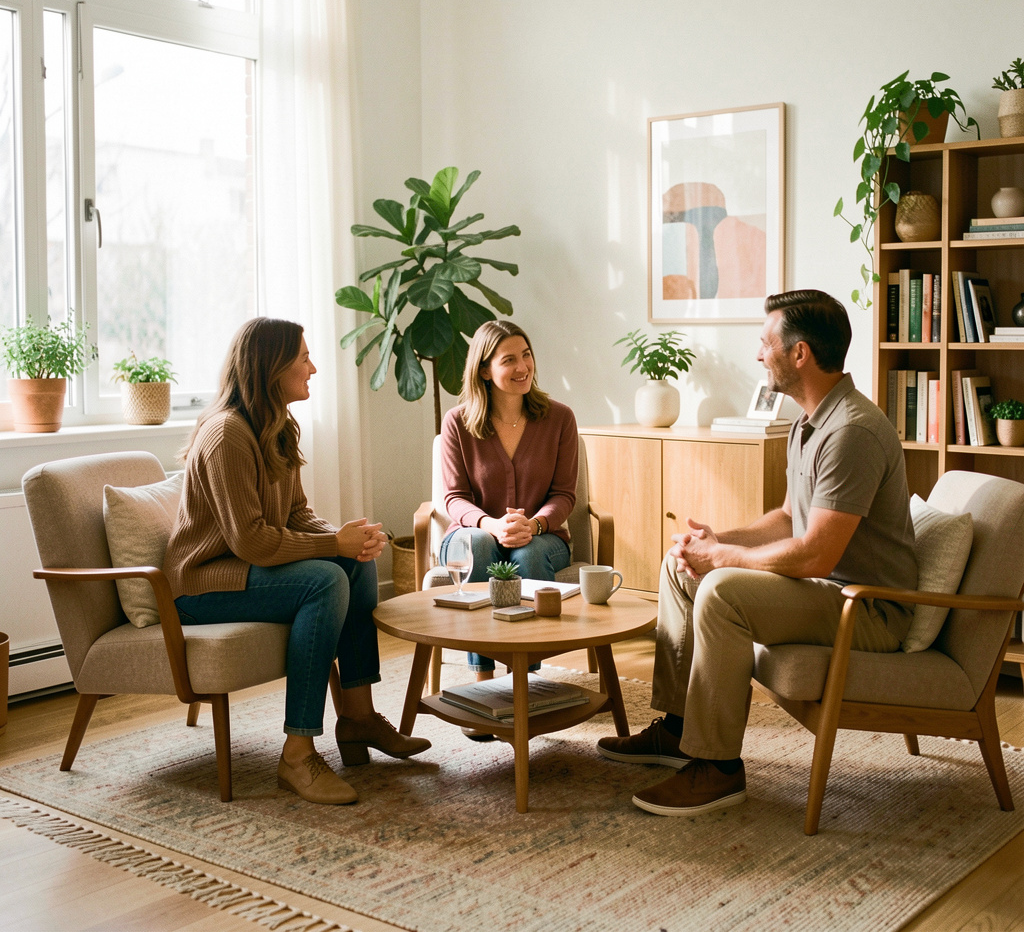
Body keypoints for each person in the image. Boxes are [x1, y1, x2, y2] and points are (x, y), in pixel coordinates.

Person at [597, 289, 917, 817]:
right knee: (679, 569)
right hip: (828, 590)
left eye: (765, 343)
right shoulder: (809, 420)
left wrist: (722, 560)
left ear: (800, 354)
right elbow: (791, 517)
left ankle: (717, 767)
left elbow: (815, 555)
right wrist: (716, 539)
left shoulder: (852, 432)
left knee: (722, 590)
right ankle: (680, 731)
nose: (758, 354)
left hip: (868, 608)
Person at [164, 317, 429, 806]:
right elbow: (251, 542)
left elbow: (296, 515)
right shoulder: (226, 435)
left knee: (356, 565)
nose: (313, 367)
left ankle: (357, 716)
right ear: (272, 368)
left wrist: (348, 539)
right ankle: (297, 754)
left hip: (247, 573)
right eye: (303, 358)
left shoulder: (279, 426)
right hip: (200, 587)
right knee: (327, 579)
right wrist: (334, 547)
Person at [439, 320, 578, 723]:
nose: (523, 367)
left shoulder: (559, 418)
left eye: (527, 355)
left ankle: (526, 682)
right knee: (482, 546)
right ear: (484, 369)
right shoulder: (458, 422)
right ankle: (483, 680)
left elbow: (565, 495)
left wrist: (532, 525)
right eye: (509, 360)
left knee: (529, 549)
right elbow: (453, 498)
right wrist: (490, 524)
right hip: (472, 534)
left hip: (543, 534)